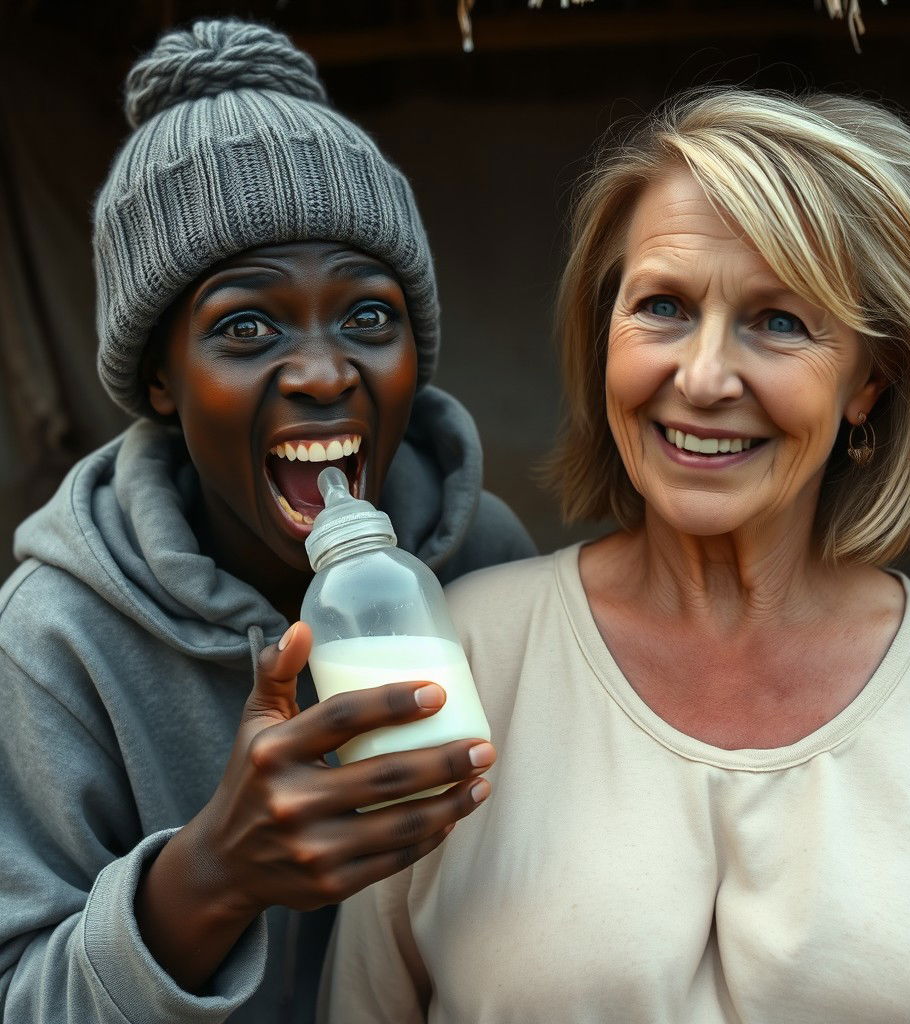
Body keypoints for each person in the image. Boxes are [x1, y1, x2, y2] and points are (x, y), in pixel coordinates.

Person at [324, 88, 910, 1023]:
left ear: (873, 377)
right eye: (662, 306)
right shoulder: (460, 660)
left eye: (780, 320)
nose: (700, 378)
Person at [0, 18, 534, 1024]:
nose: (327, 371)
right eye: (246, 326)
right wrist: (208, 877)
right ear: (160, 379)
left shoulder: (487, 558)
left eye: (369, 316)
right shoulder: (54, 640)